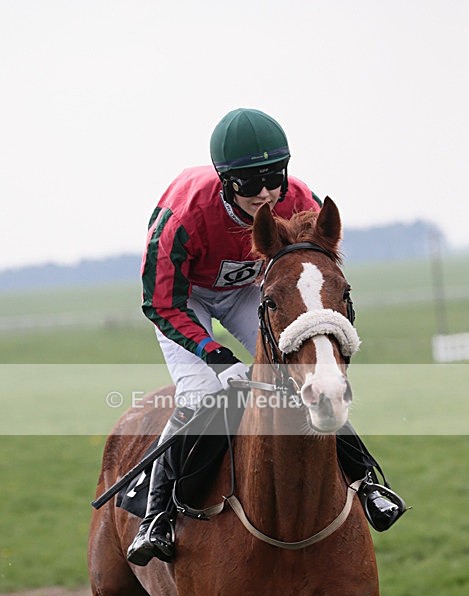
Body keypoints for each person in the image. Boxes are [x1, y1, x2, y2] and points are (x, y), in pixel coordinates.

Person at [127, 108, 406, 566]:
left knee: (310, 376)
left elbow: (317, 269)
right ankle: (155, 514)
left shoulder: (301, 200)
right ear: (225, 182)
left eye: (274, 177)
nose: (267, 193)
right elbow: (161, 304)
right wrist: (215, 356)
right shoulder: (182, 218)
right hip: (186, 298)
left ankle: (369, 482)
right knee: (201, 395)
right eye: (250, 185)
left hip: (252, 292)